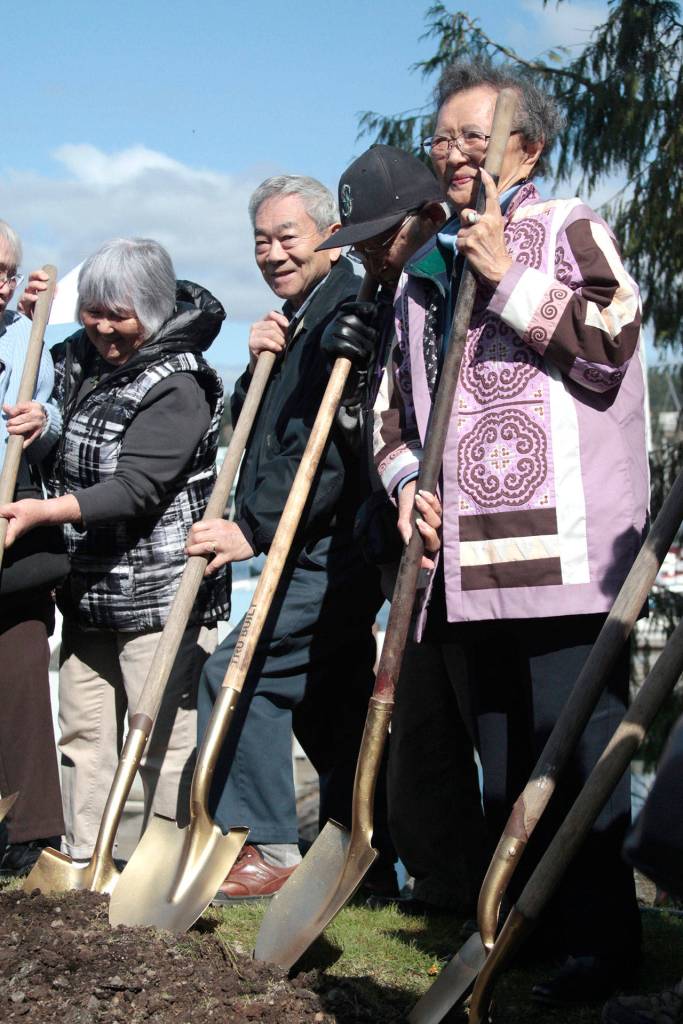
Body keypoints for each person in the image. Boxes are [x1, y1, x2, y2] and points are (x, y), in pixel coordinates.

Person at [372, 59, 648, 1002]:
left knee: (571, 748)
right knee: (500, 759)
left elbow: (613, 343)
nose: (450, 154)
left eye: (470, 137)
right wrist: (408, 483)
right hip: (460, 561)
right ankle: (521, 926)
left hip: (565, 548)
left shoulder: (565, 228)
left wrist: (509, 277)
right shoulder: (421, 271)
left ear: (525, 147)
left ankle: (604, 943)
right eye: (440, 137)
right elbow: (388, 420)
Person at [187, 175, 441, 903]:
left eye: (286, 237)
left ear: (326, 237)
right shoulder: (302, 315)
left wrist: (253, 526)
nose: (272, 253)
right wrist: (255, 375)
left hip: (326, 547)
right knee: (326, 702)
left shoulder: (345, 310)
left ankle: (266, 844)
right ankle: (367, 858)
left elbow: (323, 451)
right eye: (260, 240)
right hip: (311, 544)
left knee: (239, 675)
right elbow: (271, 433)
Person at [2, 238, 229, 861]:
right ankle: (87, 861)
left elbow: (133, 489)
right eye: (94, 310)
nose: (103, 326)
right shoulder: (78, 360)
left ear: (152, 312)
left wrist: (44, 512)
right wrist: (43, 429)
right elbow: (72, 453)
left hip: (159, 593)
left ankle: (158, 864)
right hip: (89, 589)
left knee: (159, 737)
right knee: (84, 730)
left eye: (119, 315)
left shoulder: (180, 383)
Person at [317, 145, 486, 913]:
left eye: (376, 235)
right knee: (418, 714)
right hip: (403, 523)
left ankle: (493, 882)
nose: (364, 253)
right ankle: (439, 873)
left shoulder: (455, 266)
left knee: (475, 707)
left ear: (423, 216)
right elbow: (385, 420)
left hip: (479, 527)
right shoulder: (384, 292)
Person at [0, 219, 65, 875]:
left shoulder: (32, 342)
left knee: (19, 675)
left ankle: (31, 837)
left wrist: (44, 424)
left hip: (13, 541)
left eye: (2, 272)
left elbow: (58, 423)